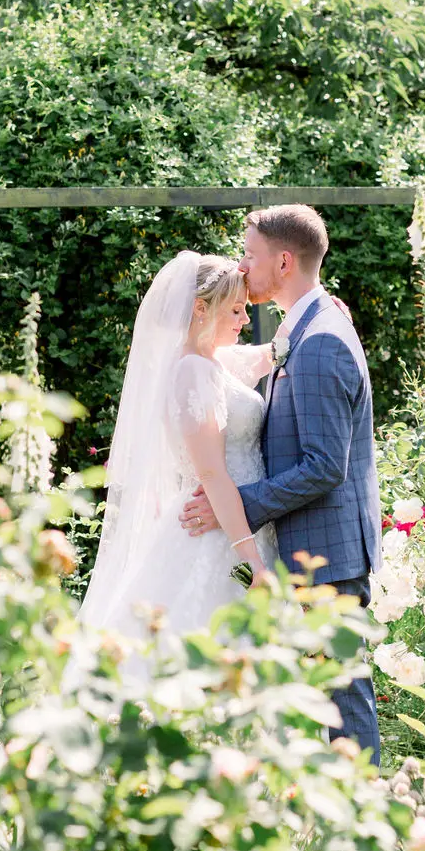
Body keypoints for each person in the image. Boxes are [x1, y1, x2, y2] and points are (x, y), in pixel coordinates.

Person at [180, 204, 383, 765]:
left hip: (327, 554)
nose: (244, 267)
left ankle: (366, 825)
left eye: (250, 254)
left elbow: (323, 465)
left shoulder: (320, 341)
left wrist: (235, 508)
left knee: (344, 698)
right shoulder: (302, 329)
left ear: (285, 260)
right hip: (305, 546)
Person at [75, 252, 276, 642]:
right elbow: (212, 472)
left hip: (243, 522)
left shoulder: (213, 361)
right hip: (220, 533)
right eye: (236, 311)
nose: (246, 320)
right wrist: (251, 560)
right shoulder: (192, 370)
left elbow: (268, 354)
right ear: (201, 308)